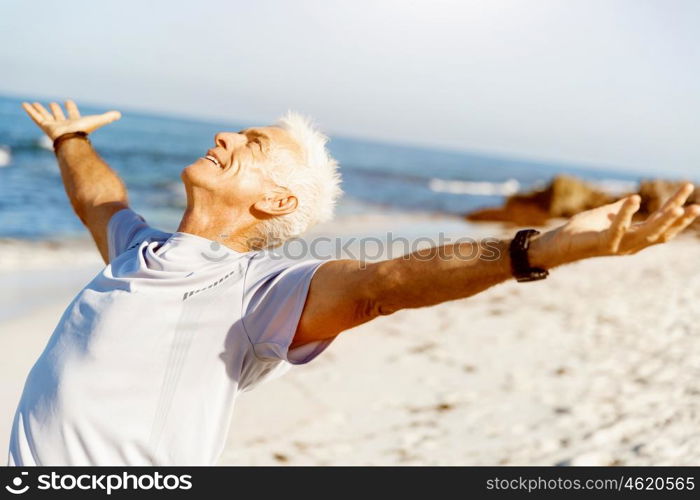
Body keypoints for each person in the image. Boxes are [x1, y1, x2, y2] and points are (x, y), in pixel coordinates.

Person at [9, 100, 699, 466]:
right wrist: (71, 141)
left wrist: (536, 249)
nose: (223, 136)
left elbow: (385, 280)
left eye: (251, 144)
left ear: (277, 203)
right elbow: (97, 200)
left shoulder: (257, 292)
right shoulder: (140, 248)